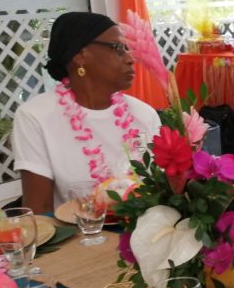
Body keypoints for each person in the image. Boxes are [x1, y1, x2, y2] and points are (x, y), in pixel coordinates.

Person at [12, 12, 162, 213]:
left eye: (127, 49)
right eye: (118, 48)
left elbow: (163, 191)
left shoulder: (144, 114)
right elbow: (39, 212)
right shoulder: (35, 117)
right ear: (80, 55)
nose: (129, 59)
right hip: (77, 231)